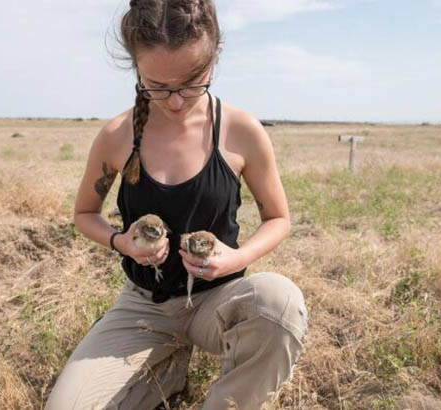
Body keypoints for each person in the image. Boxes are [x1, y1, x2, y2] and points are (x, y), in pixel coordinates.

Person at [45, 1, 308, 408]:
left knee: (280, 303)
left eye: (191, 82)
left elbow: (278, 218)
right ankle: (167, 370)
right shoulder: (116, 135)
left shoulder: (241, 131)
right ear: (135, 66)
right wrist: (122, 243)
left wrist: (235, 259)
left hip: (218, 302)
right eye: (156, 86)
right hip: (143, 306)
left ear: (214, 56)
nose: (175, 101)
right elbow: (84, 214)